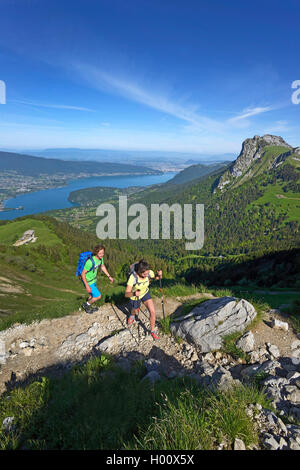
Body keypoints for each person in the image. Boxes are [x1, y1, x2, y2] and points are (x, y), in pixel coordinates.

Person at [125, 260, 162, 340]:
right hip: (135, 297)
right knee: (134, 311)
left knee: (152, 312)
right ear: (139, 272)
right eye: (144, 274)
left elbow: (156, 277)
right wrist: (134, 293)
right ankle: (132, 315)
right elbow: (126, 293)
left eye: (147, 273)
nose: (146, 275)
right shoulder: (133, 278)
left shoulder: (149, 273)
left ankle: (152, 330)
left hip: (145, 293)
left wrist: (159, 275)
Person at [81, 245, 114, 314]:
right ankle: (86, 305)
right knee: (98, 296)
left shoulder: (100, 259)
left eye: (103, 253)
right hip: (88, 281)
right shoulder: (90, 262)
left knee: (92, 295)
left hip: (93, 280)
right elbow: (83, 274)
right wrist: (87, 286)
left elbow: (102, 266)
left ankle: (89, 306)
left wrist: (109, 276)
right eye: (100, 253)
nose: (102, 255)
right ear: (96, 253)